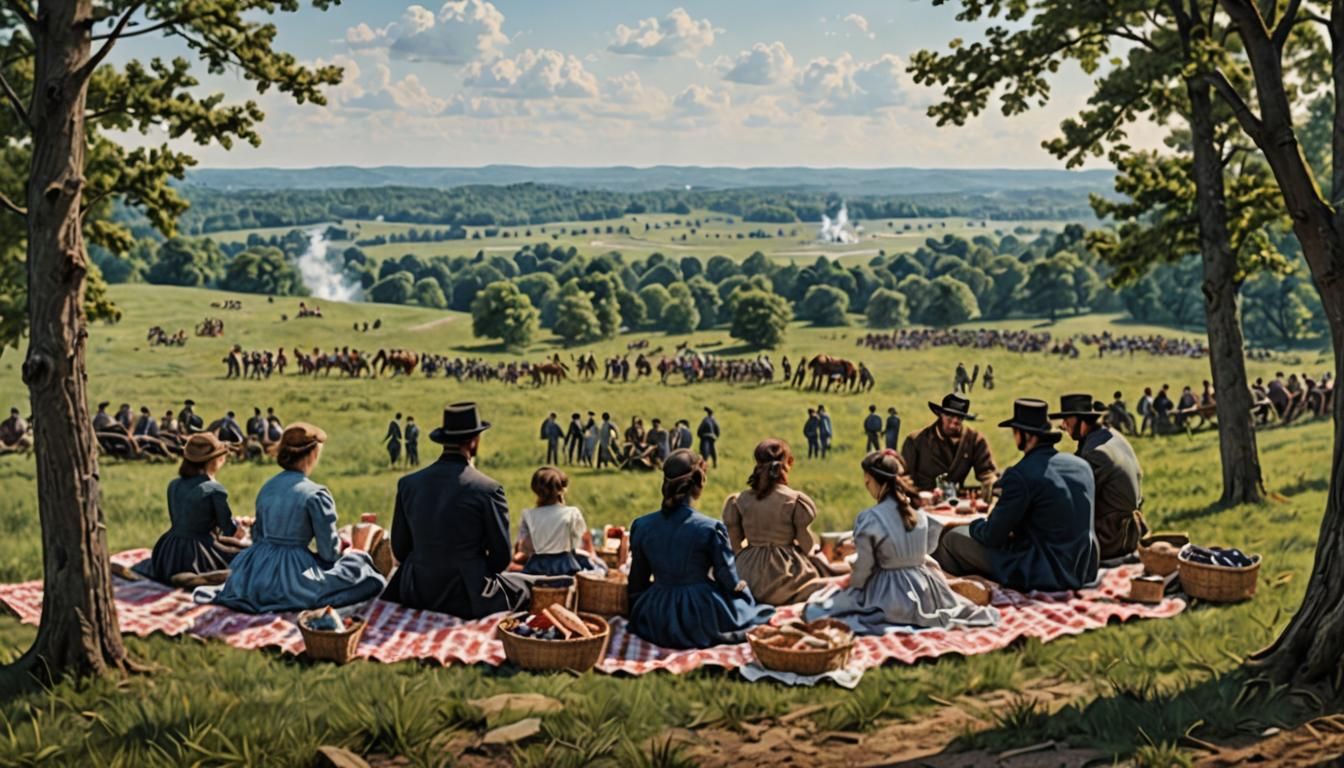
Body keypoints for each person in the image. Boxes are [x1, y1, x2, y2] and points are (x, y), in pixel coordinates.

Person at [804, 450, 1000, 633]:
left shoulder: (869, 518)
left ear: (876, 482)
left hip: (889, 592)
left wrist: (854, 589)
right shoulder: (920, 516)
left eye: (868, 483)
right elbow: (924, 552)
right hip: (924, 589)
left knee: (819, 608)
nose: (867, 488)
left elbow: (864, 569)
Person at [203, 423, 386, 612]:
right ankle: (312, 599)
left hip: (256, 570)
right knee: (367, 574)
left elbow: (257, 536)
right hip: (298, 573)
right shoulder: (316, 494)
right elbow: (328, 553)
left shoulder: (267, 488)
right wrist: (345, 551)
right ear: (312, 454)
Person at [933, 399, 1098, 592]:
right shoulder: (1082, 467)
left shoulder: (1021, 474)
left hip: (1042, 571)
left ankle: (961, 594)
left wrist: (975, 524)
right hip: (1082, 569)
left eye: (1015, 432)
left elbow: (991, 535)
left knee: (952, 539)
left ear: (1025, 435)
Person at [627, 450, 773, 649]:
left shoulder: (642, 525)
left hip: (657, 614)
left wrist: (640, 610)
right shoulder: (710, 528)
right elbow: (727, 578)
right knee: (751, 609)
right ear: (699, 482)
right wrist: (742, 590)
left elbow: (637, 581)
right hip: (698, 612)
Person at [387, 403, 512, 618]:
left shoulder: (408, 484)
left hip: (416, 590)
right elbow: (501, 558)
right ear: (474, 441)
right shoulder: (488, 489)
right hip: (465, 597)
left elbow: (400, 550)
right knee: (525, 587)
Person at [722, 439, 837, 605]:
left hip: (749, 574)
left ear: (757, 463)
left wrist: (745, 563)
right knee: (819, 584)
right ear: (789, 462)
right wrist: (816, 556)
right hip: (786, 574)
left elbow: (735, 544)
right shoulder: (795, 500)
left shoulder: (739, 501)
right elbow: (806, 544)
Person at [133, 434, 246, 585]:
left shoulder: (174, 485)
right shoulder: (214, 488)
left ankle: (181, 576)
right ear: (213, 461)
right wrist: (238, 530)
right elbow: (229, 529)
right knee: (246, 558)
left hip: (169, 548)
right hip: (198, 551)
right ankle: (196, 578)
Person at [1052, 394, 1147, 561]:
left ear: (1082, 420)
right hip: (1125, 528)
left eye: (1067, 419)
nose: (1064, 425)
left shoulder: (1097, 453)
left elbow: (1075, 497)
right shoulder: (1109, 435)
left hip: (1113, 538)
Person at [901, 394, 998, 493]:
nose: (953, 424)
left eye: (959, 418)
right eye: (950, 416)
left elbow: (988, 473)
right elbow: (904, 478)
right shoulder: (915, 441)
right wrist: (918, 496)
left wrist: (991, 484)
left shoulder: (975, 440)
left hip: (956, 498)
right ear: (941, 414)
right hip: (922, 498)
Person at [517, 466, 600, 576]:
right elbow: (582, 542)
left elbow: (524, 547)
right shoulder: (572, 513)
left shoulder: (528, 515)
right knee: (600, 568)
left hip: (536, 567)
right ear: (562, 489)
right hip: (566, 567)